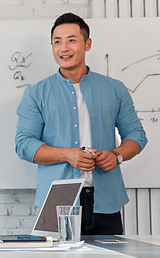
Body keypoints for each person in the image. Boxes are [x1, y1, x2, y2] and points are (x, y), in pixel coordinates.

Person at [15, 13, 147, 235]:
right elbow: (23, 144)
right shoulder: (36, 93)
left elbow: (136, 135)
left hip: (106, 200)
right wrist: (67, 155)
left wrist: (117, 155)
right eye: (57, 41)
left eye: (71, 40)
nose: (63, 47)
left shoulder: (115, 89)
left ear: (87, 44)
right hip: (56, 201)